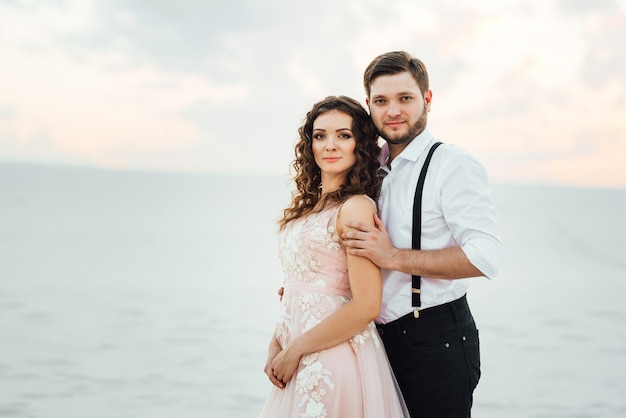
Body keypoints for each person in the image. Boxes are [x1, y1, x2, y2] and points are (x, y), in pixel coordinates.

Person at [341, 51, 506, 417]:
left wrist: (394, 257)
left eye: (405, 98)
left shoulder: (453, 165)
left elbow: (486, 255)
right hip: (372, 342)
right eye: (381, 101)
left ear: (427, 99)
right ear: (369, 105)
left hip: (435, 342)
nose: (393, 110)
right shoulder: (369, 167)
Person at [258, 96, 409, 418]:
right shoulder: (307, 208)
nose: (330, 145)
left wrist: (295, 349)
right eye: (320, 135)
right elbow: (298, 287)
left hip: (331, 356)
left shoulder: (354, 208)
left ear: (361, 145)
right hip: (296, 351)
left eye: (344, 135)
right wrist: (277, 344)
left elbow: (366, 304)